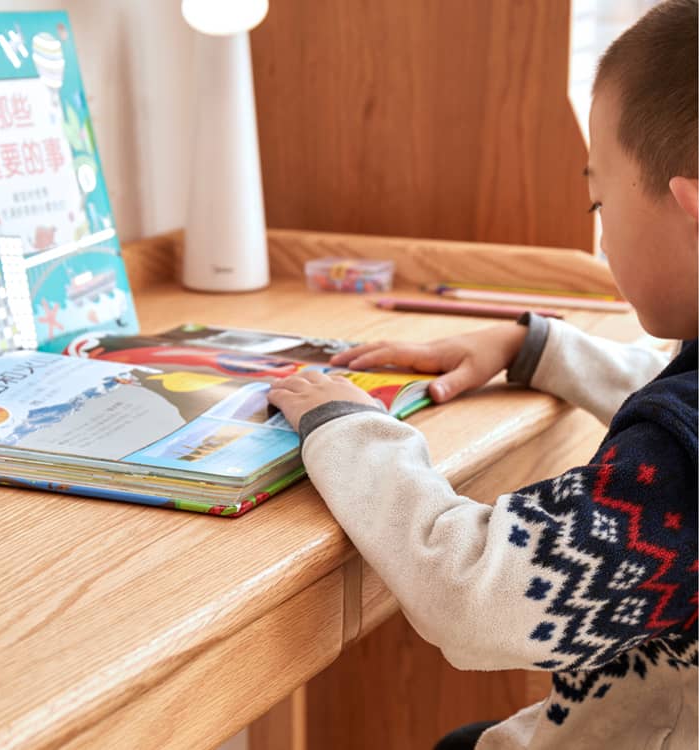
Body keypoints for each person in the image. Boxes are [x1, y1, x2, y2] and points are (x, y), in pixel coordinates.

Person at [266, 1, 698, 748]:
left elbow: (475, 595)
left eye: (600, 198)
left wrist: (348, 428)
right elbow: (669, 401)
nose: (599, 227)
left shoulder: (680, 471)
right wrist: (536, 347)